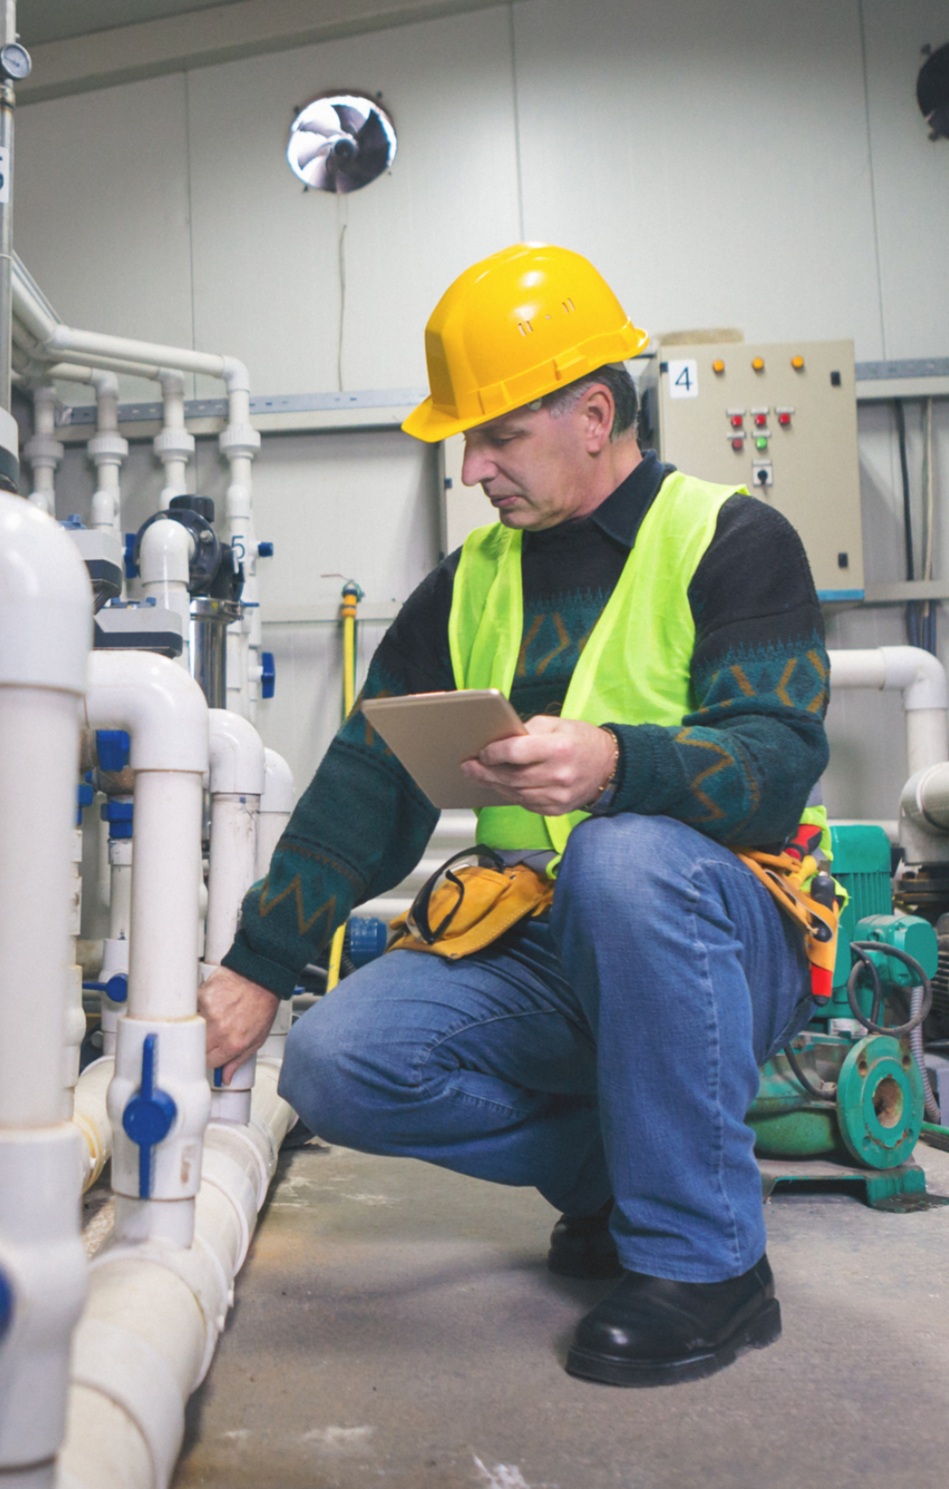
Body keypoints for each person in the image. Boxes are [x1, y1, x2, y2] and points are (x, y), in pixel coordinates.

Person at [198, 242, 830, 1387]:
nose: (473, 469)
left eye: (496, 437)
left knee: (626, 859)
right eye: (465, 443)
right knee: (339, 1062)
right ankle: (621, 1171)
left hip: (722, 940)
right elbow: (366, 780)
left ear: (596, 413)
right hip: (537, 946)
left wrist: (612, 766)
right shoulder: (468, 583)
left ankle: (710, 1264)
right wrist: (259, 961)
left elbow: (777, 766)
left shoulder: (731, 541)